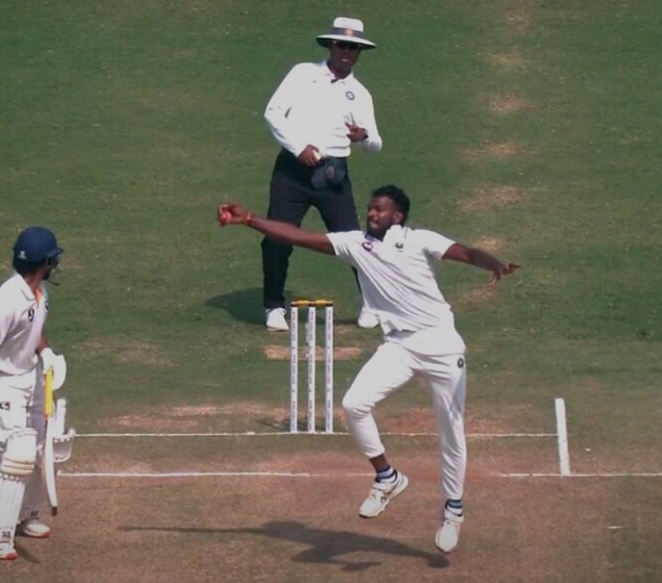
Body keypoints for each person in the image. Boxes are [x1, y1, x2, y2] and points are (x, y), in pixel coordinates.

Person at [217, 186, 520, 553]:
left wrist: (494, 265)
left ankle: (453, 510)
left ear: (398, 216)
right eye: (370, 208)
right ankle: (387, 477)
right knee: (354, 404)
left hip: (441, 346)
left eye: (379, 210)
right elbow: (300, 236)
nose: (371, 214)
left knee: (451, 433)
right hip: (399, 346)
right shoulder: (355, 244)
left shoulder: (418, 240)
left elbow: (466, 252)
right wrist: (249, 220)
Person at [261, 16, 383, 332]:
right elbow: (273, 113)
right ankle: (274, 306)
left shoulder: (360, 92)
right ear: (331, 45)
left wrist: (363, 135)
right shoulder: (303, 74)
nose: (347, 52)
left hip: (333, 176)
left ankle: (369, 302)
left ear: (359, 52)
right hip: (293, 170)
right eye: (342, 44)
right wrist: (298, 146)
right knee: (277, 236)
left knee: (354, 241)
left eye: (354, 47)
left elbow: (375, 143)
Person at [0, 226, 69, 560]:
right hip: (2, 385)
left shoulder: (39, 292)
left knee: (48, 447)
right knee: (18, 454)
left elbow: (33, 333)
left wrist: (46, 353)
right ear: (45, 262)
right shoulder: (7, 299)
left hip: (30, 380)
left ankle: (30, 514)